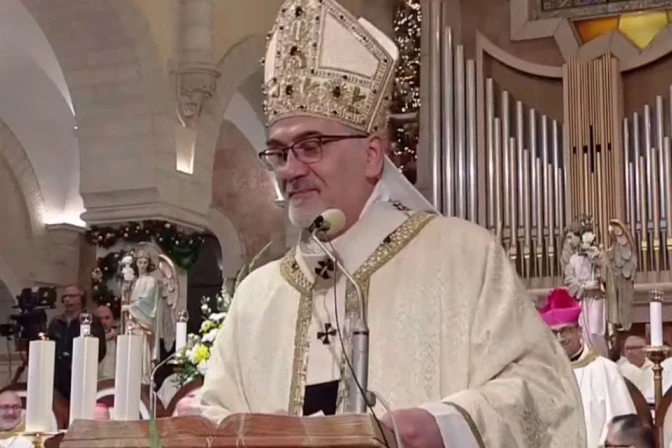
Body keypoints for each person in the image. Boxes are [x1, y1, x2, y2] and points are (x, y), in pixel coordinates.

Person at [194, 0, 586, 447]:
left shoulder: (464, 257)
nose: (290, 169)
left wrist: (441, 426)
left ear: (373, 155)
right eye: (280, 152)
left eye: (312, 145)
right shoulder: (257, 297)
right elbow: (215, 421)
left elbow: (546, 395)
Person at [539, 288, 635, 448]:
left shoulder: (605, 371)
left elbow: (625, 429)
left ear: (579, 331)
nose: (560, 339)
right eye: (553, 333)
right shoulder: (542, 374)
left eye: (565, 331)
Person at [47, 285, 106, 399]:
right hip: (58, 375)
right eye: (65, 296)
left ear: (81, 298)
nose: (67, 299)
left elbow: (100, 348)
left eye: (72, 296)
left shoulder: (90, 320)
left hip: (81, 373)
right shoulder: (56, 322)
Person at [97, 304, 117, 380]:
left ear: (113, 320)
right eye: (100, 319)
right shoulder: (91, 341)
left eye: (107, 318)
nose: (103, 322)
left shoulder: (119, 341)